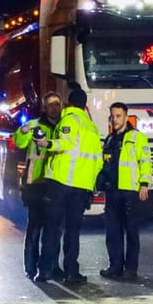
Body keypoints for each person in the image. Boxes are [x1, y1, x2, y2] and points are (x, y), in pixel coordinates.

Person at [42, 85, 104, 284]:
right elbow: (98, 161)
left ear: (69, 103)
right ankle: (71, 271)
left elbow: (65, 143)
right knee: (73, 231)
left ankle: (47, 270)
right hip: (81, 188)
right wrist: (92, 185)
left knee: (53, 228)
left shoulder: (69, 119)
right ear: (85, 105)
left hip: (61, 183)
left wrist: (49, 144)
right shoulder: (92, 127)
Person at [98, 103, 152, 280]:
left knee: (131, 232)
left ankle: (130, 270)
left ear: (126, 116)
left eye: (118, 116)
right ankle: (115, 267)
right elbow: (105, 164)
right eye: (112, 116)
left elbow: (145, 161)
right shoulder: (110, 139)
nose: (115, 119)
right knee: (113, 232)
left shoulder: (137, 137)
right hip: (112, 191)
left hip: (130, 190)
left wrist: (144, 183)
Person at [12, 96, 62, 279]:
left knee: (54, 229)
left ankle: (52, 266)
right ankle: (31, 267)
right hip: (35, 184)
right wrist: (25, 130)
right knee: (34, 228)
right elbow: (19, 142)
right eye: (50, 105)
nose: (54, 108)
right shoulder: (34, 125)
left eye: (57, 104)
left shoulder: (64, 126)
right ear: (44, 106)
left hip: (54, 184)